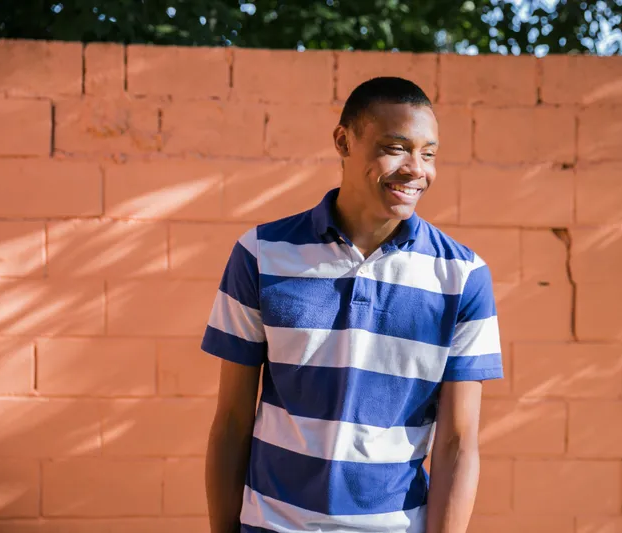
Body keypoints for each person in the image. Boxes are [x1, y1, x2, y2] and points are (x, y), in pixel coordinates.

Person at [202, 76, 504, 533]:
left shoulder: (463, 277)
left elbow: (457, 443)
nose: (416, 168)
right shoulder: (261, 254)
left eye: (429, 153)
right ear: (344, 141)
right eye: (396, 147)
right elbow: (231, 420)